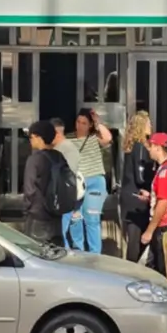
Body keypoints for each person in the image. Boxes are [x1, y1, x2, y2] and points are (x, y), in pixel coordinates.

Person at [141, 133, 167, 295]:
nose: (149, 151)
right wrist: (150, 197)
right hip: (166, 223)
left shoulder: (166, 172)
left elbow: (163, 203)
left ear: (158, 148)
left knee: (166, 265)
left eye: (150, 147)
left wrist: (149, 231)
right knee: (156, 263)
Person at [68, 108, 113, 253]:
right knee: (75, 219)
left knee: (92, 220)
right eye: (78, 122)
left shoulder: (95, 137)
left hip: (94, 181)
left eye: (84, 123)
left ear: (89, 125)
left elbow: (108, 138)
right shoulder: (69, 139)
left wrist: (97, 122)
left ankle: (95, 255)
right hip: (76, 182)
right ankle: (79, 252)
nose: (80, 125)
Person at [22, 120, 66, 244]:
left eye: (31, 137)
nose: (30, 140)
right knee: (56, 256)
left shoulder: (34, 159)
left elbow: (29, 190)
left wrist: (26, 210)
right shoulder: (60, 157)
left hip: (38, 216)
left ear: (39, 138)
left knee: (36, 258)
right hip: (57, 216)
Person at [119, 111, 154, 263]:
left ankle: (131, 269)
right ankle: (129, 273)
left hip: (128, 196)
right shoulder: (140, 147)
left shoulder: (131, 147)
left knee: (137, 240)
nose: (151, 126)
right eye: (148, 123)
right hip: (137, 199)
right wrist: (153, 181)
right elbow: (140, 177)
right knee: (136, 242)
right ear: (141, 127)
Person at [49, 117, 82, 245]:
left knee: (62, 232)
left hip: (64, 196)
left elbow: (68, 175)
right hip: (64, 195)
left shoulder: (66, 149)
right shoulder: (63, 148)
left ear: (56, 133)